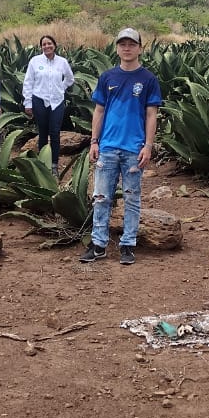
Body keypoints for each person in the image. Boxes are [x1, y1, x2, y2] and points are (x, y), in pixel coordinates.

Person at [79, 28, 162, 266]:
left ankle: (128, 244)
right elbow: (99, 111)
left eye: (132, 44)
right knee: (101, 198)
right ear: (116, 47)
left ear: (140, 48)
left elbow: (151, 114)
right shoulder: (107, 77)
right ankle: (98, 244)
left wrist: (148, 146)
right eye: (122, 44)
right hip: (107, 146)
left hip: (134, 149)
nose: (127, 48)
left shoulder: (148, 79)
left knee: (132, 198)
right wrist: (94, 141)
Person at [22, 34, 75, 175]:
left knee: (55, 133)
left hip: (57, 102)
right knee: (43, 132)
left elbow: (70, 79)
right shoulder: (35, 61)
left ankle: (54, 165)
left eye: (49, 43)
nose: (47, 46)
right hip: (39, 99)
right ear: (41, 47)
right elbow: (28, 82)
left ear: (54, 45)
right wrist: (28, 102)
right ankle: (43, 164)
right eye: (44, 44)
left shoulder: (62, 62)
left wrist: (61, 88)